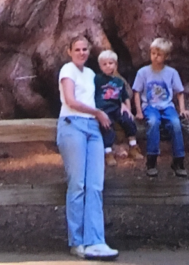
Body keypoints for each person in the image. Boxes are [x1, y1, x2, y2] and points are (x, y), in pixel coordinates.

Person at [57, 35, 119, 261]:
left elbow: (110, 91)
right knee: (78, 184)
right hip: (72, 124)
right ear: (69, 51)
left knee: (95, 184)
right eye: (77, 49)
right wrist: (97, 112)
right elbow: (71, 100)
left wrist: (123, 107)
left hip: (93, 129)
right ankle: (77, 241)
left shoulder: (92, 74)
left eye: (85, 49)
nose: (82, 53)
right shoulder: (67, 70)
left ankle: (96, 240)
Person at [132, 37, 189, 177]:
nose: (155, 57)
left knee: (175, 123)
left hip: (167, 106)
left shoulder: (172, 73)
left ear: (166, 57)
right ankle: (151, 161)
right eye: (153, 53)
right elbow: (136, 92)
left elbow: (179, 92)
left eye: (159, 54)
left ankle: (178, 160)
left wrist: (182, 109)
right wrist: (139, 111)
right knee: (153, 122)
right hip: (150, 106)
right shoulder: (143, 72)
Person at [94, 50, 141, 164]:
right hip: (103, 109)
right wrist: (96, 110)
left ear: (115, 64)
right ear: (100, 66)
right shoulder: (97, 79)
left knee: (128, 120)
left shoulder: (119, 81)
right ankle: (108, 152)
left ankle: (133, 146)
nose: (108, 66)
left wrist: (128, 110)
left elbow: (125, 96)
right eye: (104, 64)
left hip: (116, 107)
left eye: (110, 63)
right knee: (107, 126)